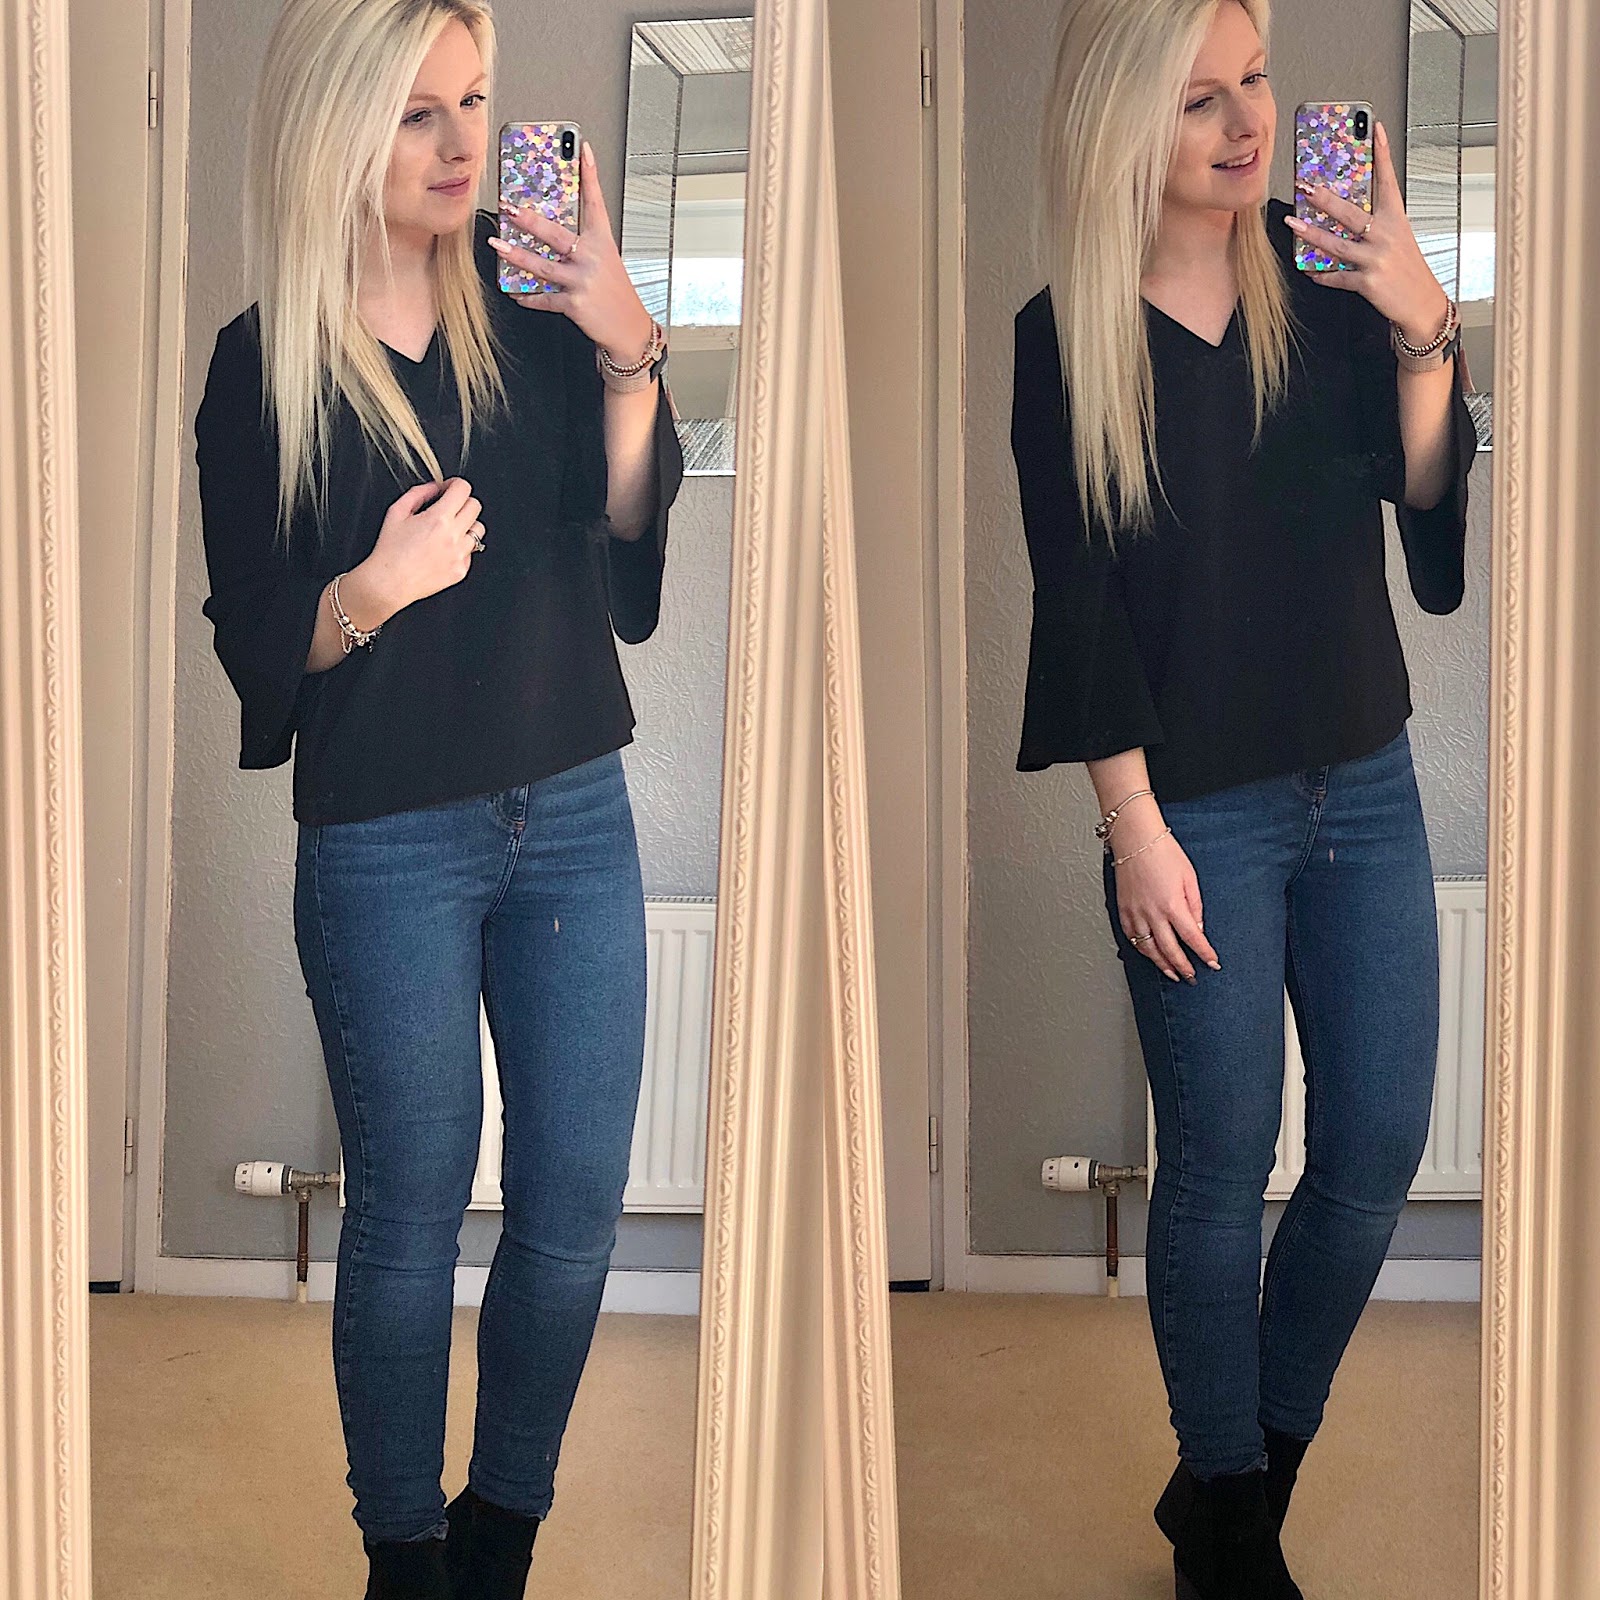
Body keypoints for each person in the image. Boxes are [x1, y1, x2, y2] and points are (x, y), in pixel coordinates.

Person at [193, 3, 682, 1595]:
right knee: (408, 1213)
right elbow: (253, 634)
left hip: (575, 812)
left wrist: (629, 351)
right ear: (336, 127)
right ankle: (403, 1556)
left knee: (575, 1206)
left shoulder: (535, 317)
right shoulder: (260, 365)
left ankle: (501, 1534)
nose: (463, 142)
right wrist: (370, 592)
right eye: (417, 111)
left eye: (475, 101)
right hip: (385, 839)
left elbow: (623, 546)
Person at [1009, 1, 1476, 1595]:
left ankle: (1232, 1492)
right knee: (1218, 1169)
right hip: (1191, 808)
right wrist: (1130, 827)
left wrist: (1423, 326)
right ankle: (1227, 1519)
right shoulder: (1061, 336)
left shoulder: (1329, 278)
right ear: (1119, 117)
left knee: (1374, 1149)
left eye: (1256, 80)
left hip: (1366, 776)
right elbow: (1077, 603)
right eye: (1199, 96)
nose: (1246, 121)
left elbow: (1425, 513)